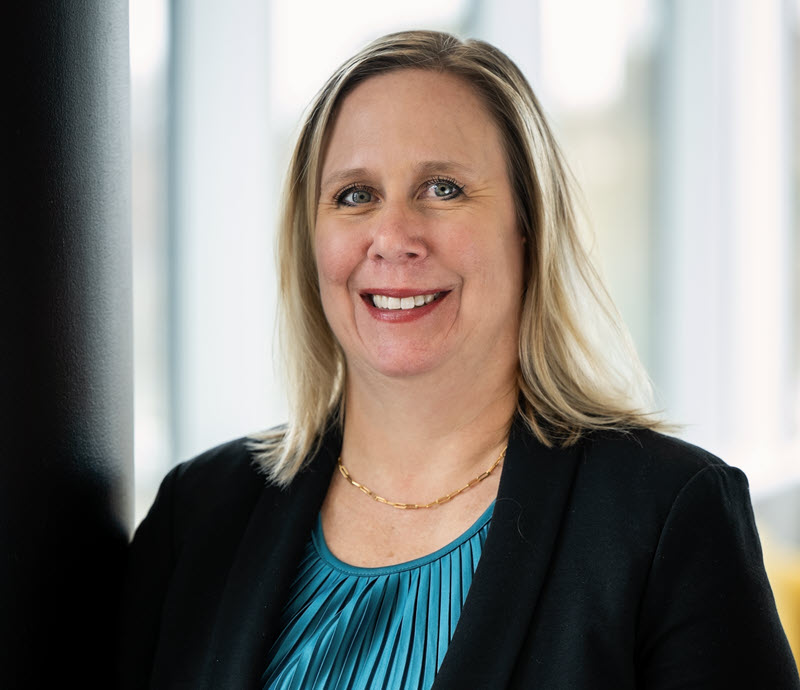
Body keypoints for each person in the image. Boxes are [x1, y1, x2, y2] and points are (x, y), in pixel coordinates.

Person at [117, 30, 799, 689]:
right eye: (355, 196)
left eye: (442, 188)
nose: (393, 236)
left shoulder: (668, 516)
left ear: (528, 229)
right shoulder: (199, 516)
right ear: (310, 241)